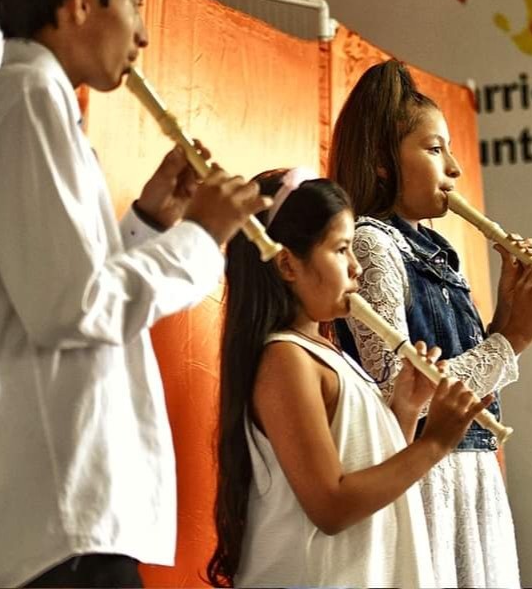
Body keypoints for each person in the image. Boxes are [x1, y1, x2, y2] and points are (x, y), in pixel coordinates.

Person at [0, 0, 267, 587]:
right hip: (59, 513)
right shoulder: (27, 98)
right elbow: (72, 307)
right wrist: (202, 237)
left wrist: (150, 223)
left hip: (63, 512)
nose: (143, 35)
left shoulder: (35, 100)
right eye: (136, 1)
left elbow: (59, 290)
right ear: (82, 2)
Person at [329, 60, 532, 587]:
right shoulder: (372, 242)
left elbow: (468, 370)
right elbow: (398, 389)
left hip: (472, 472)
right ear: (383, 163)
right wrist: (511, 340)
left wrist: (509, 312)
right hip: (425, 477)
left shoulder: (436, 248)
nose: (454, 167)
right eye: (434, 150)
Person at [208, 169, 487, 587]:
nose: (356, 268)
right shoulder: (285, 359)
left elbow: (363, 468)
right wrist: (435, 443)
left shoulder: (325, 354)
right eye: (341, 250)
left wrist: (406, 411)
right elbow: (331, 506)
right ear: (287, 263)